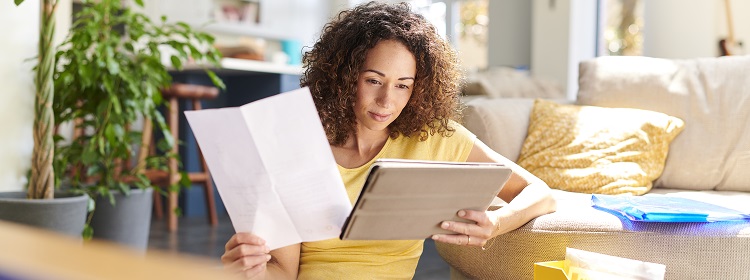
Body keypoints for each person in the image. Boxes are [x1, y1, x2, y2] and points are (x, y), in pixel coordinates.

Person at [221, 2, 556, 279]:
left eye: (403, 85)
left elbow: (539, 193)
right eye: (373, 80)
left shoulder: (435, 137)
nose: (386, 101)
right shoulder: (298, 144)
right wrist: (252, 269)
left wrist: (496, 223)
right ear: (345, 77)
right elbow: (283, 271)